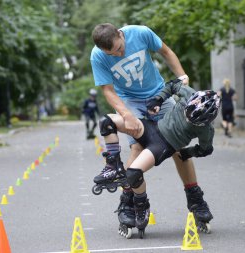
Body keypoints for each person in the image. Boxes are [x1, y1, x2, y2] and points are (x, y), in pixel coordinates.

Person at [90, 23, 212, 237]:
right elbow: (108, 91)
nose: (119, 54)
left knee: (178, 147)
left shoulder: (141, 33)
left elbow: (166, 51)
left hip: (159, 93)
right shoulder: (98, 56)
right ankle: (129, 202)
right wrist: (126, 114)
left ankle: (195, 198)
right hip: (129, 101)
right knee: (137, 148)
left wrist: (182, 77)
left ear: (121, 34)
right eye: (113, 53)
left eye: (120, 48)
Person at [93, 79, 220, 238]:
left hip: (163, 146)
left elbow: (206, 149)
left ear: (205, 122)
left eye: (193, 121)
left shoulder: (207, 131)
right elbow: (173, 84)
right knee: (106, 121)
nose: (188, 119)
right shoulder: (190, 94)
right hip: (150, 128)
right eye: (187, 114)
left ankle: (141, 205)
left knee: (133, 173)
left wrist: (188, 152)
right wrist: (158, 99)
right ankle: (113, 167)